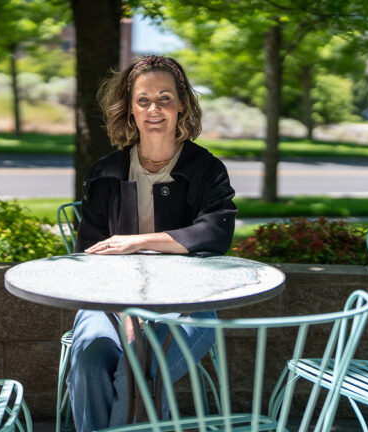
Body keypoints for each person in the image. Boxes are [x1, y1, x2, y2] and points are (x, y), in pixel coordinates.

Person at [66, 55, 237, 431]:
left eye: (165, 98)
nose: (154, 109)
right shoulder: (105, 173)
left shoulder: (206, 169)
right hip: (107, 303)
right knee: (91, 361)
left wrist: (137, 241)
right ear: (130, 109)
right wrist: (127, 312)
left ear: (182, 106)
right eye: (143, 100)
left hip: (188, 305)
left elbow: (215, 233)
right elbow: (89, 257)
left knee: (137, 371)